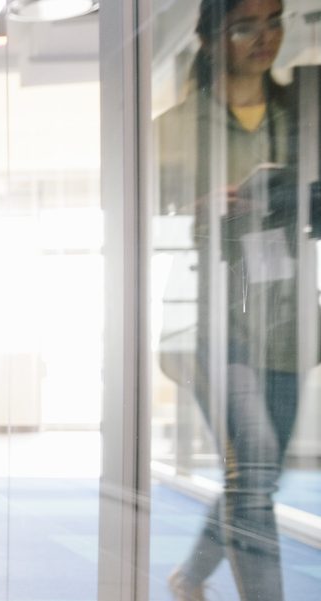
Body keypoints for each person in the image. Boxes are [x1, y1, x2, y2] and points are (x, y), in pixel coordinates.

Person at [156, 1, 302, 599]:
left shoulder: (300, 113)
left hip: (288, 319)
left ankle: (189, 577)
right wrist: (203, 209)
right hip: (212, 318)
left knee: (257, 478)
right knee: (257, 463)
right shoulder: (173, 126)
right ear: (212, 39)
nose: (264, 37)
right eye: (245, 26)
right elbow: (144, 224)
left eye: (274, 21)